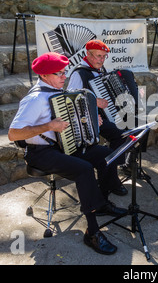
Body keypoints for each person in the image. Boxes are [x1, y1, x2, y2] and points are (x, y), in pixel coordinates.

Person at [8, 52, 127, 255]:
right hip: (40, 152)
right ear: (44, 76)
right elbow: (13, 134)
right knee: (84, 169)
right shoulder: (35, 99)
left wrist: (91, 122)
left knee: (105, 154)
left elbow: (73, 121)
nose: (64, 76)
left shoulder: (59, 91)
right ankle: (92, 231)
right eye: (58, 73)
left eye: (64, 72)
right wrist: (48, 126)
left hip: (63, 146)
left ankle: (102, 203)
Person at [67, 40, 138, 192]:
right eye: (98, 56)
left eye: (104, 56)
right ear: (88, 54)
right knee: (119, 134)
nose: (101, 60)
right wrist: (94, 102)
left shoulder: (100, 70)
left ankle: (121, 165)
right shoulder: (79, 73)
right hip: (88, 120)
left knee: (135, 124)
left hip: (105, 114)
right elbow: (70, 100)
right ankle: (112, 177)